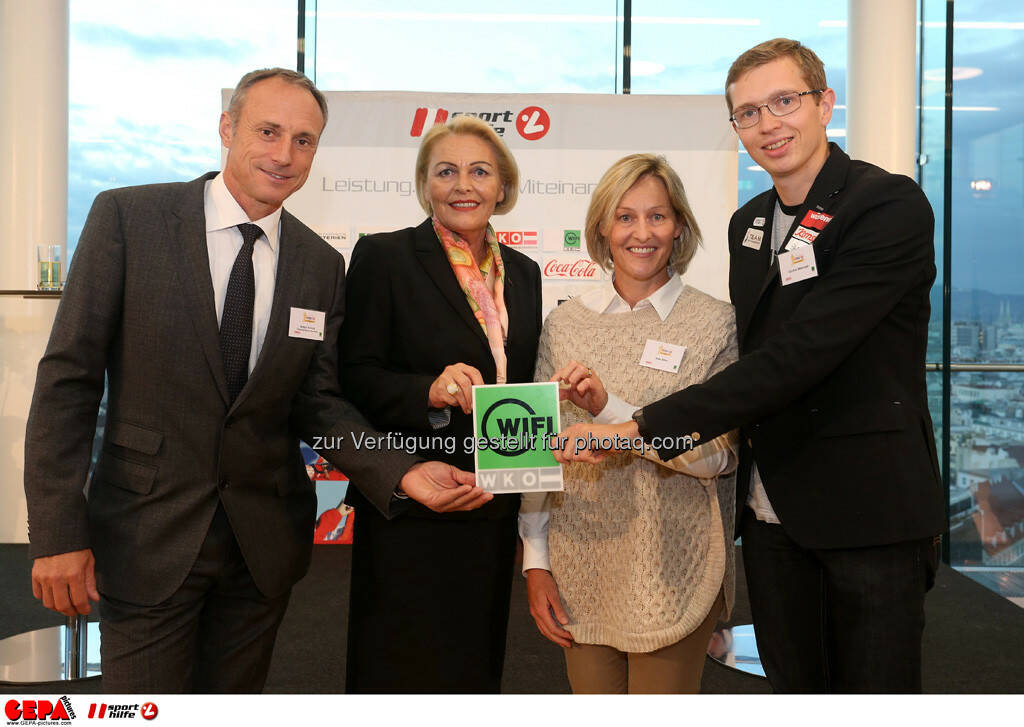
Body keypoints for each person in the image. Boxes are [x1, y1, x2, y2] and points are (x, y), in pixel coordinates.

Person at [24, 68, 487, 694]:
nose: (285, 154)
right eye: (268, 131)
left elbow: (319, 404)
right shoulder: (129, 219)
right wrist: (57, 534)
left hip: (261, 553)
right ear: (226, 128)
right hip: (145, 538)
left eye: (304, 140)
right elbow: (67, 383)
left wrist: (400, 470)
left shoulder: (318, 265)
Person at [553, 39, 944, 693]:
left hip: (868, 512)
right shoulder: (749, 224)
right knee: (794, 689)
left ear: (825, 103)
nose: (768, 124)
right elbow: (756, 356)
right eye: (748, 113)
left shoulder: (886, 207)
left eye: (784, 102)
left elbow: (797, 360)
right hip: (772, 515)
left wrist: (636, 429)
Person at [519, 154, 738, 694]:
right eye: (624, 217)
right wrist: (535, 562)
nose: (642, 233)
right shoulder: (565, 322)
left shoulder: (715, 323)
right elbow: (534, 454)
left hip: (676, 568)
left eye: (658, 216)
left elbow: (717, 458)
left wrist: (609, 411)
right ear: (601, 228)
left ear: (680, 225)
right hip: (580, 566)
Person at [339, 115, 543, 693]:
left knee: (473, 662)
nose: (463, 185)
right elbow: (352, 376)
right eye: (446, 171)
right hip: (412, 498)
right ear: (425, 185)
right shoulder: (385, 257)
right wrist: (426, 390)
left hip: (492, 497)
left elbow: (520, 381)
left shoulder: (523, 274)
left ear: (502, 186)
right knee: (397, 663)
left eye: (480, 171)